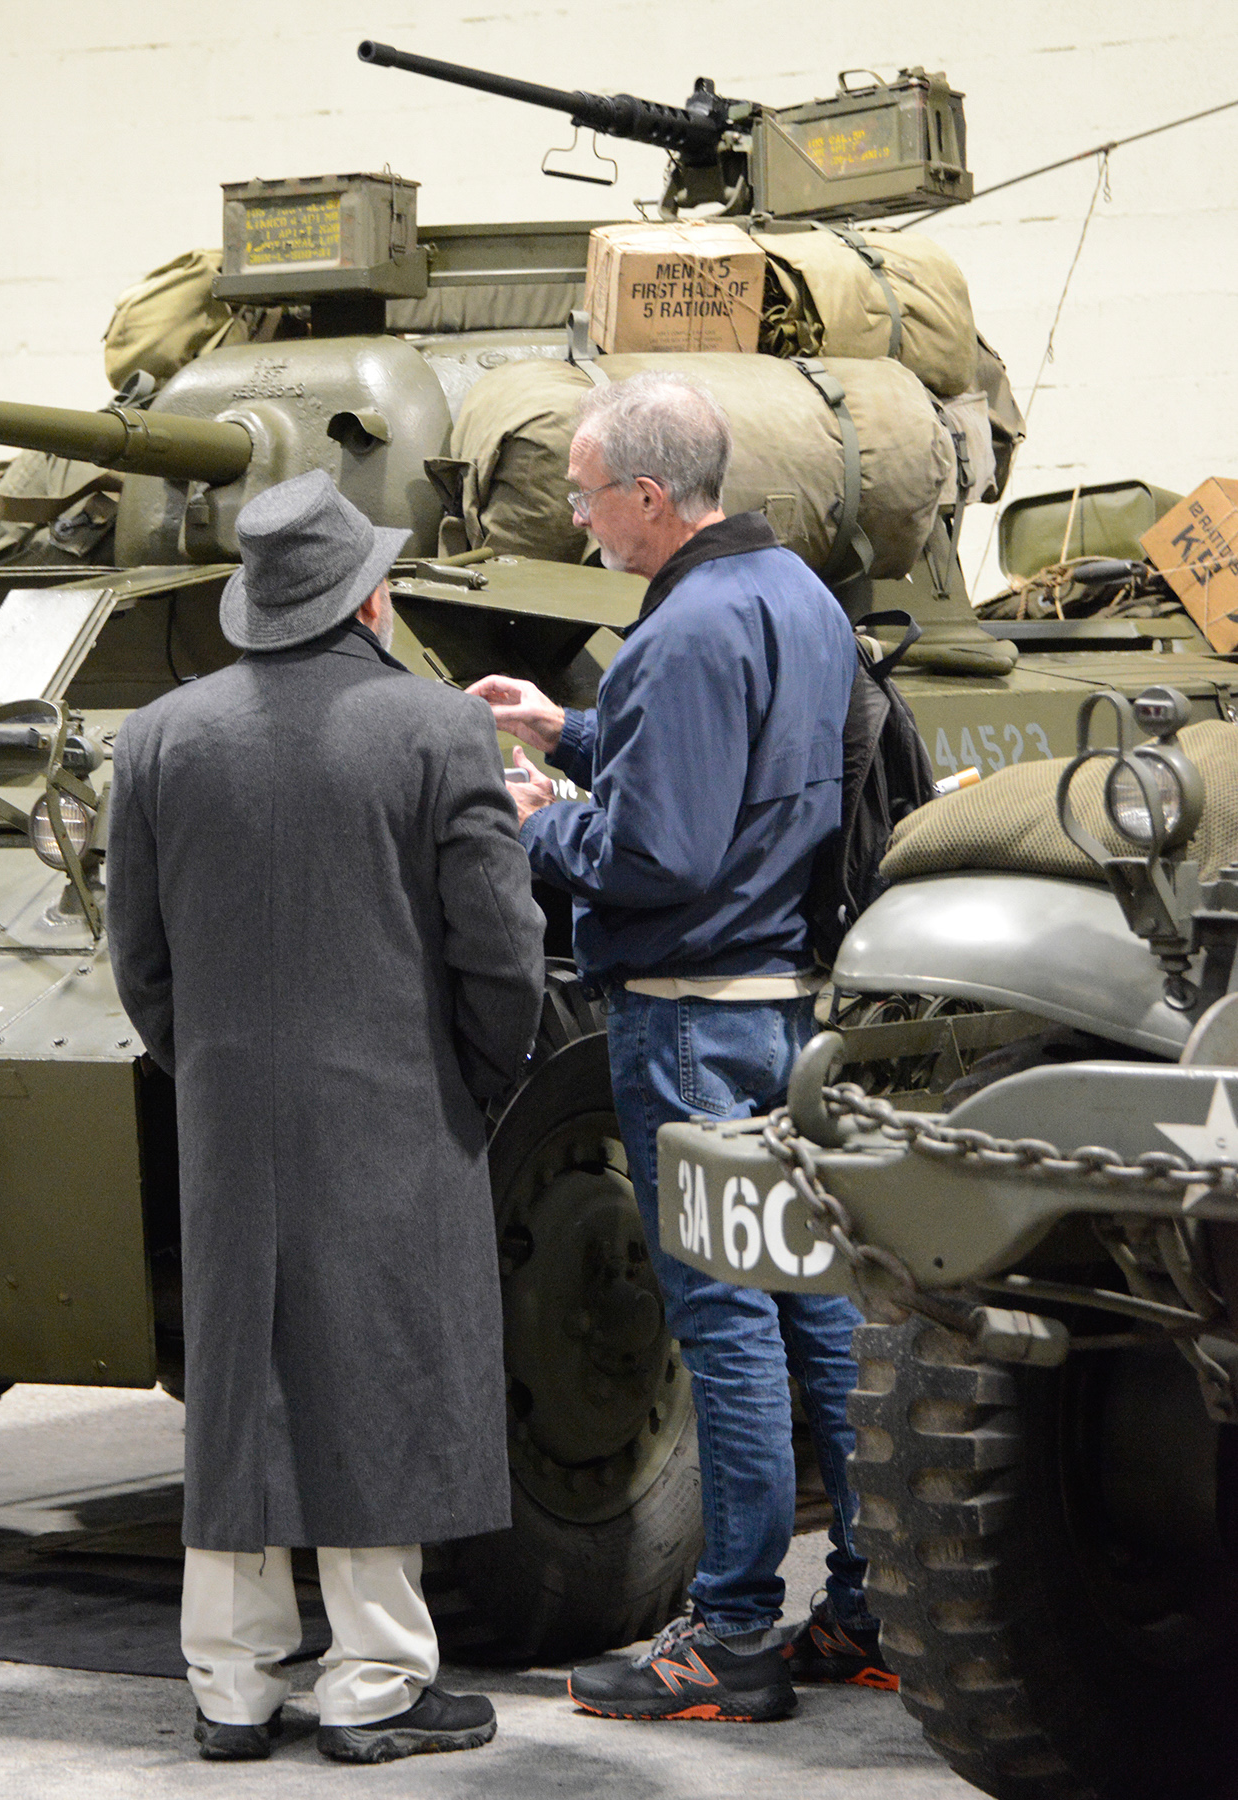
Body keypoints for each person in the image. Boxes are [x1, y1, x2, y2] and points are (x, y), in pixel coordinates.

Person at [106, 468, 545, 1765]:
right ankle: (375, 1683)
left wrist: (215, 1071)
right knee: (378, 1368)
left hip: (227, 1116)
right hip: (398, 1108)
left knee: (240, 1381)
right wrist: (473, 1080)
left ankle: (231, 1688)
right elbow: (501, 948)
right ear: (371, 598)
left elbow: (139, 962)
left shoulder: (160, 737)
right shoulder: (436, 729)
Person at [468, 372, 886, 1724]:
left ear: (650, 495)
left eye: (587, 497)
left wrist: (533, 816)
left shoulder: (680, 629)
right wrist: (573, 732)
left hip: (691, 1020)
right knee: (818, 1309)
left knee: (724, 1321)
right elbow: (730, 760)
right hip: (784, 1005)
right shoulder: (793, 594)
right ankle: (872, 1605)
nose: (580, 520)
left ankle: (734, 1634)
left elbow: (658, 854)